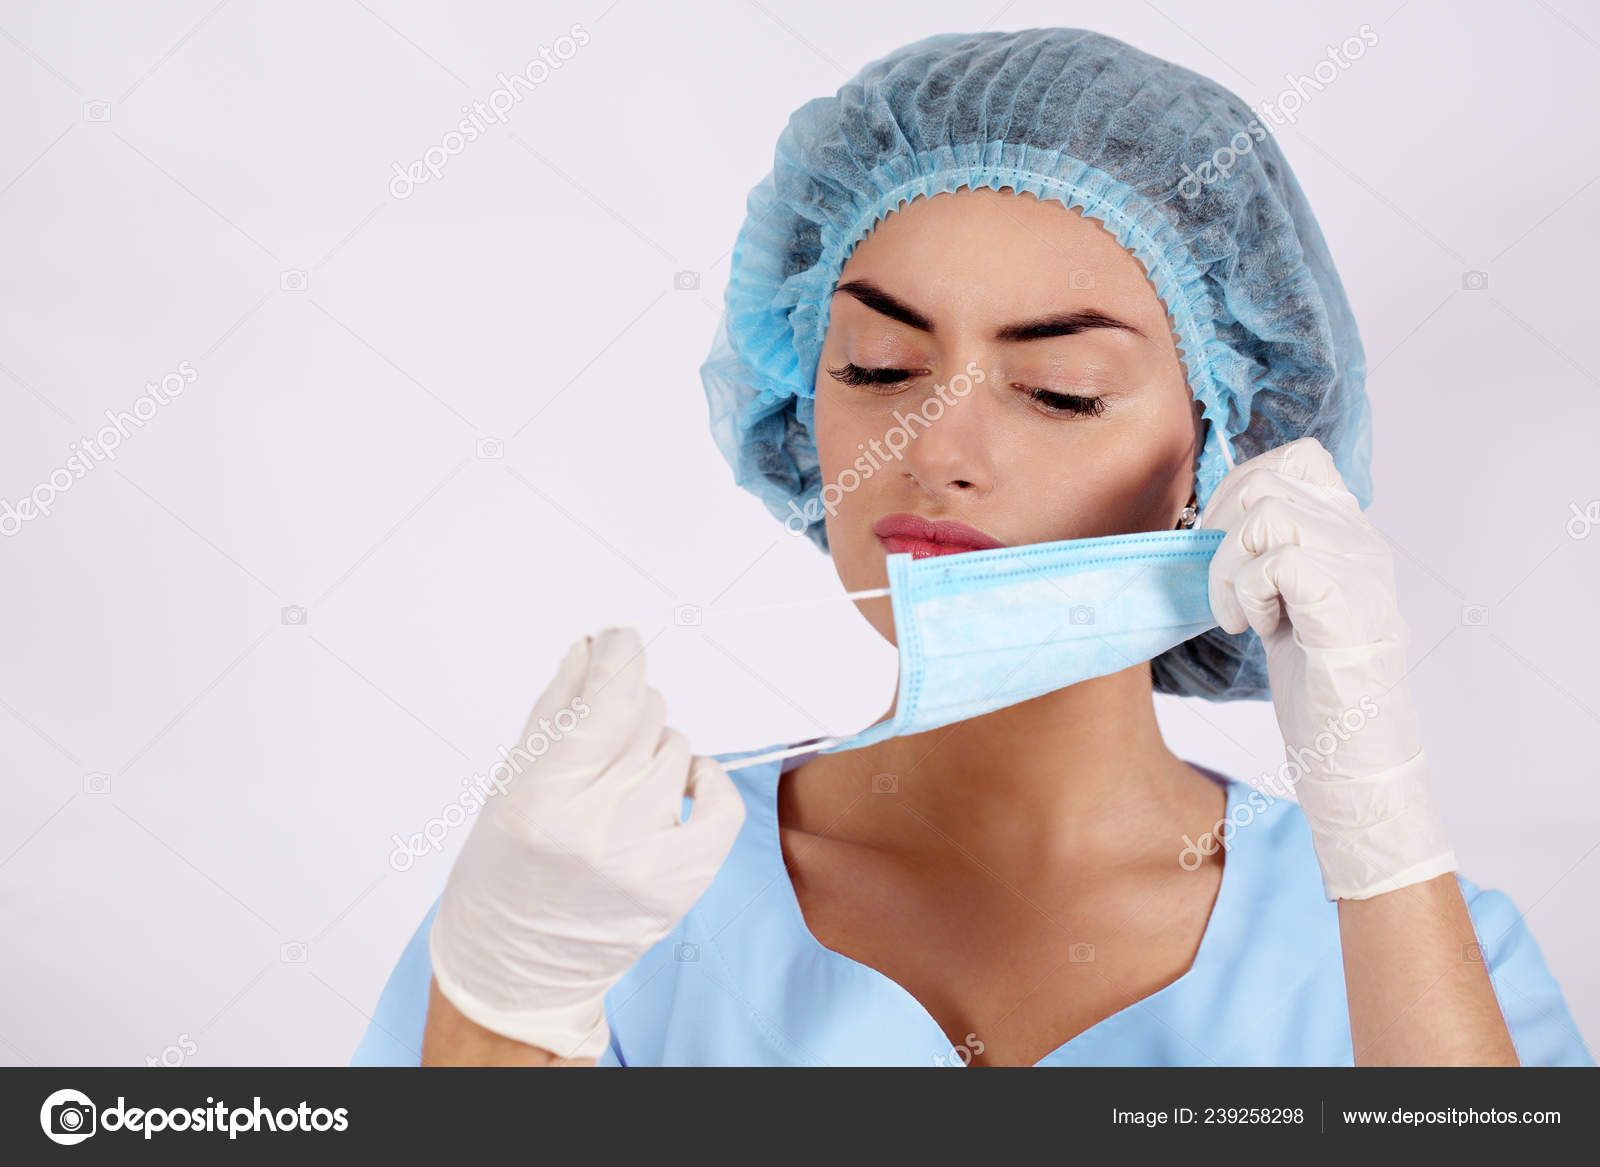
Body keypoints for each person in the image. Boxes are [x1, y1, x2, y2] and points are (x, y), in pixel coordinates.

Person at [351, 28, 1591, 1067]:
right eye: (877, 368)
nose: (939, 450)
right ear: (801, 392)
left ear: (1228, 451)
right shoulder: (589, 894)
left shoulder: (1419, 955)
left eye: (1057, 389)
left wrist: (1382, 846)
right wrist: (501, 1010)